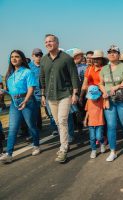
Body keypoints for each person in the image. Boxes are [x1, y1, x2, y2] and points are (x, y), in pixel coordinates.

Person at [40, 34, 79, 163]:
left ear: (56, 42)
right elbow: (42, 79)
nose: (48, 43)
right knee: (57, 122)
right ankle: (65, 142)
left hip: (64, 94)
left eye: (50, 41)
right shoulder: (44, 60)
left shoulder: (66, 58)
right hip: (51, 96)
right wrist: (43, 95)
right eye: (46, 42)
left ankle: (63, 149)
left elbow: (74, 76)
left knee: (62, 121)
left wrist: (75, 93)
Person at [0, 50, 40, 163]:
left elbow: (31, 88)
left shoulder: (28, 72)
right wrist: (4, 92)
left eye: (17, 57)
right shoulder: (10, 76)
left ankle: (36, 145)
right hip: (14, 103)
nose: (14, 59)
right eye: (12, 57)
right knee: (13, 128)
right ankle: (9, 154)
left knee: (31, 125)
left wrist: (26, 101)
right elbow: (12, 92)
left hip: (27, 101)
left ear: (22, 59)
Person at [99, 45, 123, 162]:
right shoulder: (104, 69)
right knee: (111, 126)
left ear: (119, 54)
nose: (112, 54)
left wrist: (117, 86)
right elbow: (100, 83)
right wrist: (105, 92)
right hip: (109, 100)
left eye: (114, 52)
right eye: (109, 52)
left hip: (122, 100)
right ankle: (113, 151)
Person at [84, 85, 105, 159]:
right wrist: (85, 119)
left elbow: (105, 108)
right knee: (92, 137)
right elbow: (87, 111)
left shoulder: (102, 100)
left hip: (100, 121)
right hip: (91, 122)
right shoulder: (88, 101)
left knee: (99, 136)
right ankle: (93, 150)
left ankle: (102, 143)